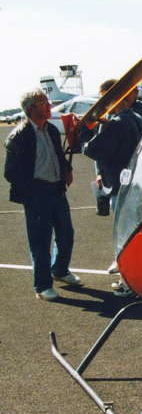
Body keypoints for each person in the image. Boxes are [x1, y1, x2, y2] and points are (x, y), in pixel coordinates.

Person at [4, 88, 80, 301]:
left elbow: (59, 155)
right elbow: (10, 172)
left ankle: (60, 270)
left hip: (56, 189)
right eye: (43, 102)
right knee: (40, 240)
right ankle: (42, 286)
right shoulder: (18, 137)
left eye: (47, 101)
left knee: (66, 233)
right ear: (31, 109)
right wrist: (31, 189)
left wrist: (67, 170)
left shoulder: (52, 131)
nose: (48, 106)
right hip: (37, 194)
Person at [77, 81, 142, 297]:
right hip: (132, 184)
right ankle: (134, 277)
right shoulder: (135, 118)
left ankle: (129, 283)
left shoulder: (116, 123)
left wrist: (83, 134)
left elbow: (95, 150)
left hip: (118, 186)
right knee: (132, 235)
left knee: (123, 237)